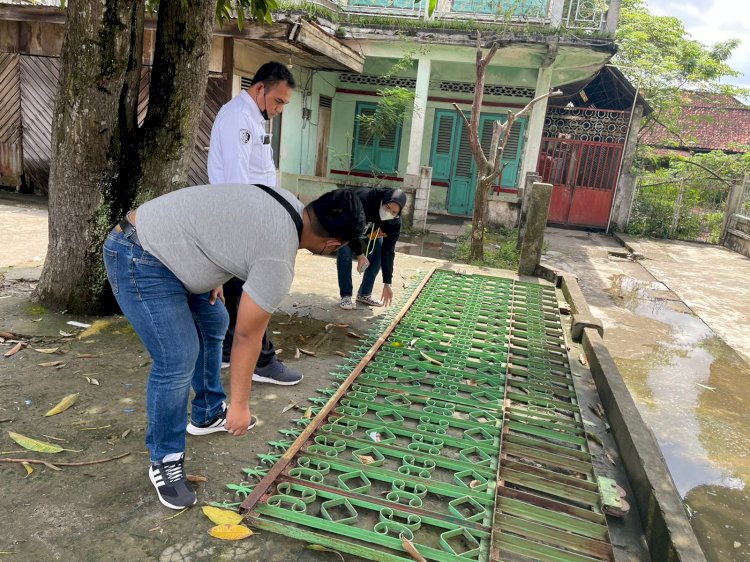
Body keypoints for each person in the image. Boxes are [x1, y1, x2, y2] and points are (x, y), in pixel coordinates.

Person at [102, 185, 365, 509]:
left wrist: (213, 276)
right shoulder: (277, 259)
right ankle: (165, 458)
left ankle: (208, 413)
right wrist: (240, 404)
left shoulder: (284, 200)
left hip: (171, 250)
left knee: (213, 321)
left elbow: (221, 225)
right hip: (139, 256)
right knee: (177, 357)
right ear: (333, 245)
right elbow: (247, 337)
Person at [207, 61, 301, 385]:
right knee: (258, 290)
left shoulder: (254, 118)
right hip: (242, 217)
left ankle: (229, 348)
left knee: (236, 289)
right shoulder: (238, 120)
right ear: (260, 89)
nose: (279, 109)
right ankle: (261, 360)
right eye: (278, 101)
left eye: (284, 104)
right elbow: (237, 180)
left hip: (250, 217)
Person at [337, 187, 407, 310]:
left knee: (379, 248)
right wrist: (359, 255)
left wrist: (387, 283)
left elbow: (388, 251)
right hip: (345, 223)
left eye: (394, 212)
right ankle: (346, 295)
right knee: (345, 250)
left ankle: (364, 293)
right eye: (387, 207)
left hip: (370, 228)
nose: (389, 213)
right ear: (383, 201)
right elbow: (348, 229)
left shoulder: (394, 222)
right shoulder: (365, 200)